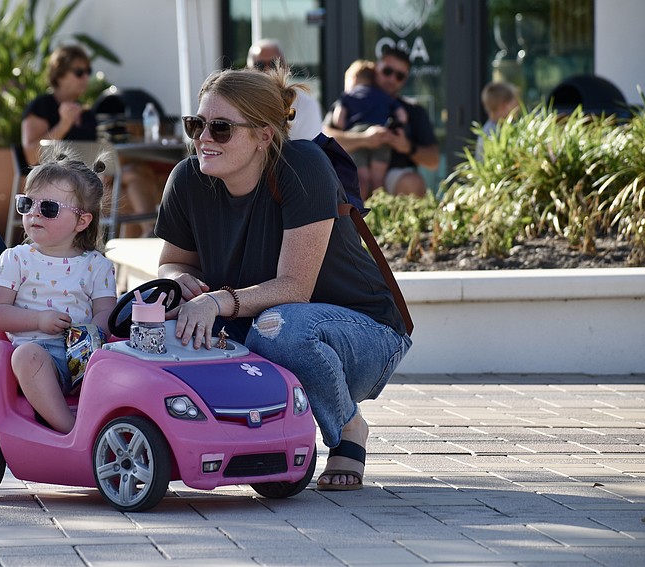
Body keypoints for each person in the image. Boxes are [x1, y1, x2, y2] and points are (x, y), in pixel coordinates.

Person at [154, 67, 412, 490]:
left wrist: (216, 301)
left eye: (220, 128)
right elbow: (172, 263)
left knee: (281, 330)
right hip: (257, 327)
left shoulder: (303, 165)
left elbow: (295, 287)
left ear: (264, 136)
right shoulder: (187, 179)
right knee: (154, 325)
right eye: (196, 125)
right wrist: (179, 280)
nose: (203, 138)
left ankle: (348, 431)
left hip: (362, 332)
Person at [0, 146, 117, 434]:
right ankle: (70, 430)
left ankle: (118, 422)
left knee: (129, 360)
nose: (34, 214)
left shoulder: (97, 265)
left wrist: (90, 337)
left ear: (82, 221)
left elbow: (106, 312)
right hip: (38, 356)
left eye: (49, 208)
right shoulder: (16, 259)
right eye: (26, 204)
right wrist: (39, 320)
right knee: (26, 357)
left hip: (85, 355)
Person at [21, 44, 160, 237]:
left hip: (91, 181)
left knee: (141, 175)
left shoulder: (87, 114)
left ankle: (140, 241)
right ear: (59, 75)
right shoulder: (42, 106)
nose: (86, 78)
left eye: (88, 72)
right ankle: (149, 234)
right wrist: (63, 124)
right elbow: (31, 155)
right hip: (59, 188)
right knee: (134, 177)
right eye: (79, 72)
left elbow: (98, 154)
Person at [324, 47, 438, 198]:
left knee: (412, 182)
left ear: (405, 79)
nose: (392, 79)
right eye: (387, 71)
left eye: (399, 75)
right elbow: (326, 137)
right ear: (376, 68)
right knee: (351, 182)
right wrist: (364, 139)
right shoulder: (352, 98)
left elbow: (433, 160)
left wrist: (406, 147)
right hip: (355, 167)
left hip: (394, 175)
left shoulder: (413, 110)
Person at [333, 59, 408, 201]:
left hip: (357, 133)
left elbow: (339, 120)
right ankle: (379, 209)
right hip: (381, 134)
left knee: (362, 179)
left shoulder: (348, 96)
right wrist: (395, 125)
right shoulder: (384, 96)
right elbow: (402, 116)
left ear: (353, 78)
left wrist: (346, 127)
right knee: (378, 180)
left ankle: (358, 214)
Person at [247, 39, 323, 141]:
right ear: (248, 69)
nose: (267, 70)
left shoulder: (306, 104)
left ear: (285, 67)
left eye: (274, 64)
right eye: (260, 65)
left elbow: (309, 150)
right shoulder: (240, 103)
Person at [475, 80, 520, 160]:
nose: (519, 108)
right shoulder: (492, 135)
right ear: (504, 106)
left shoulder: (491, 130)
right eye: (516, 103)